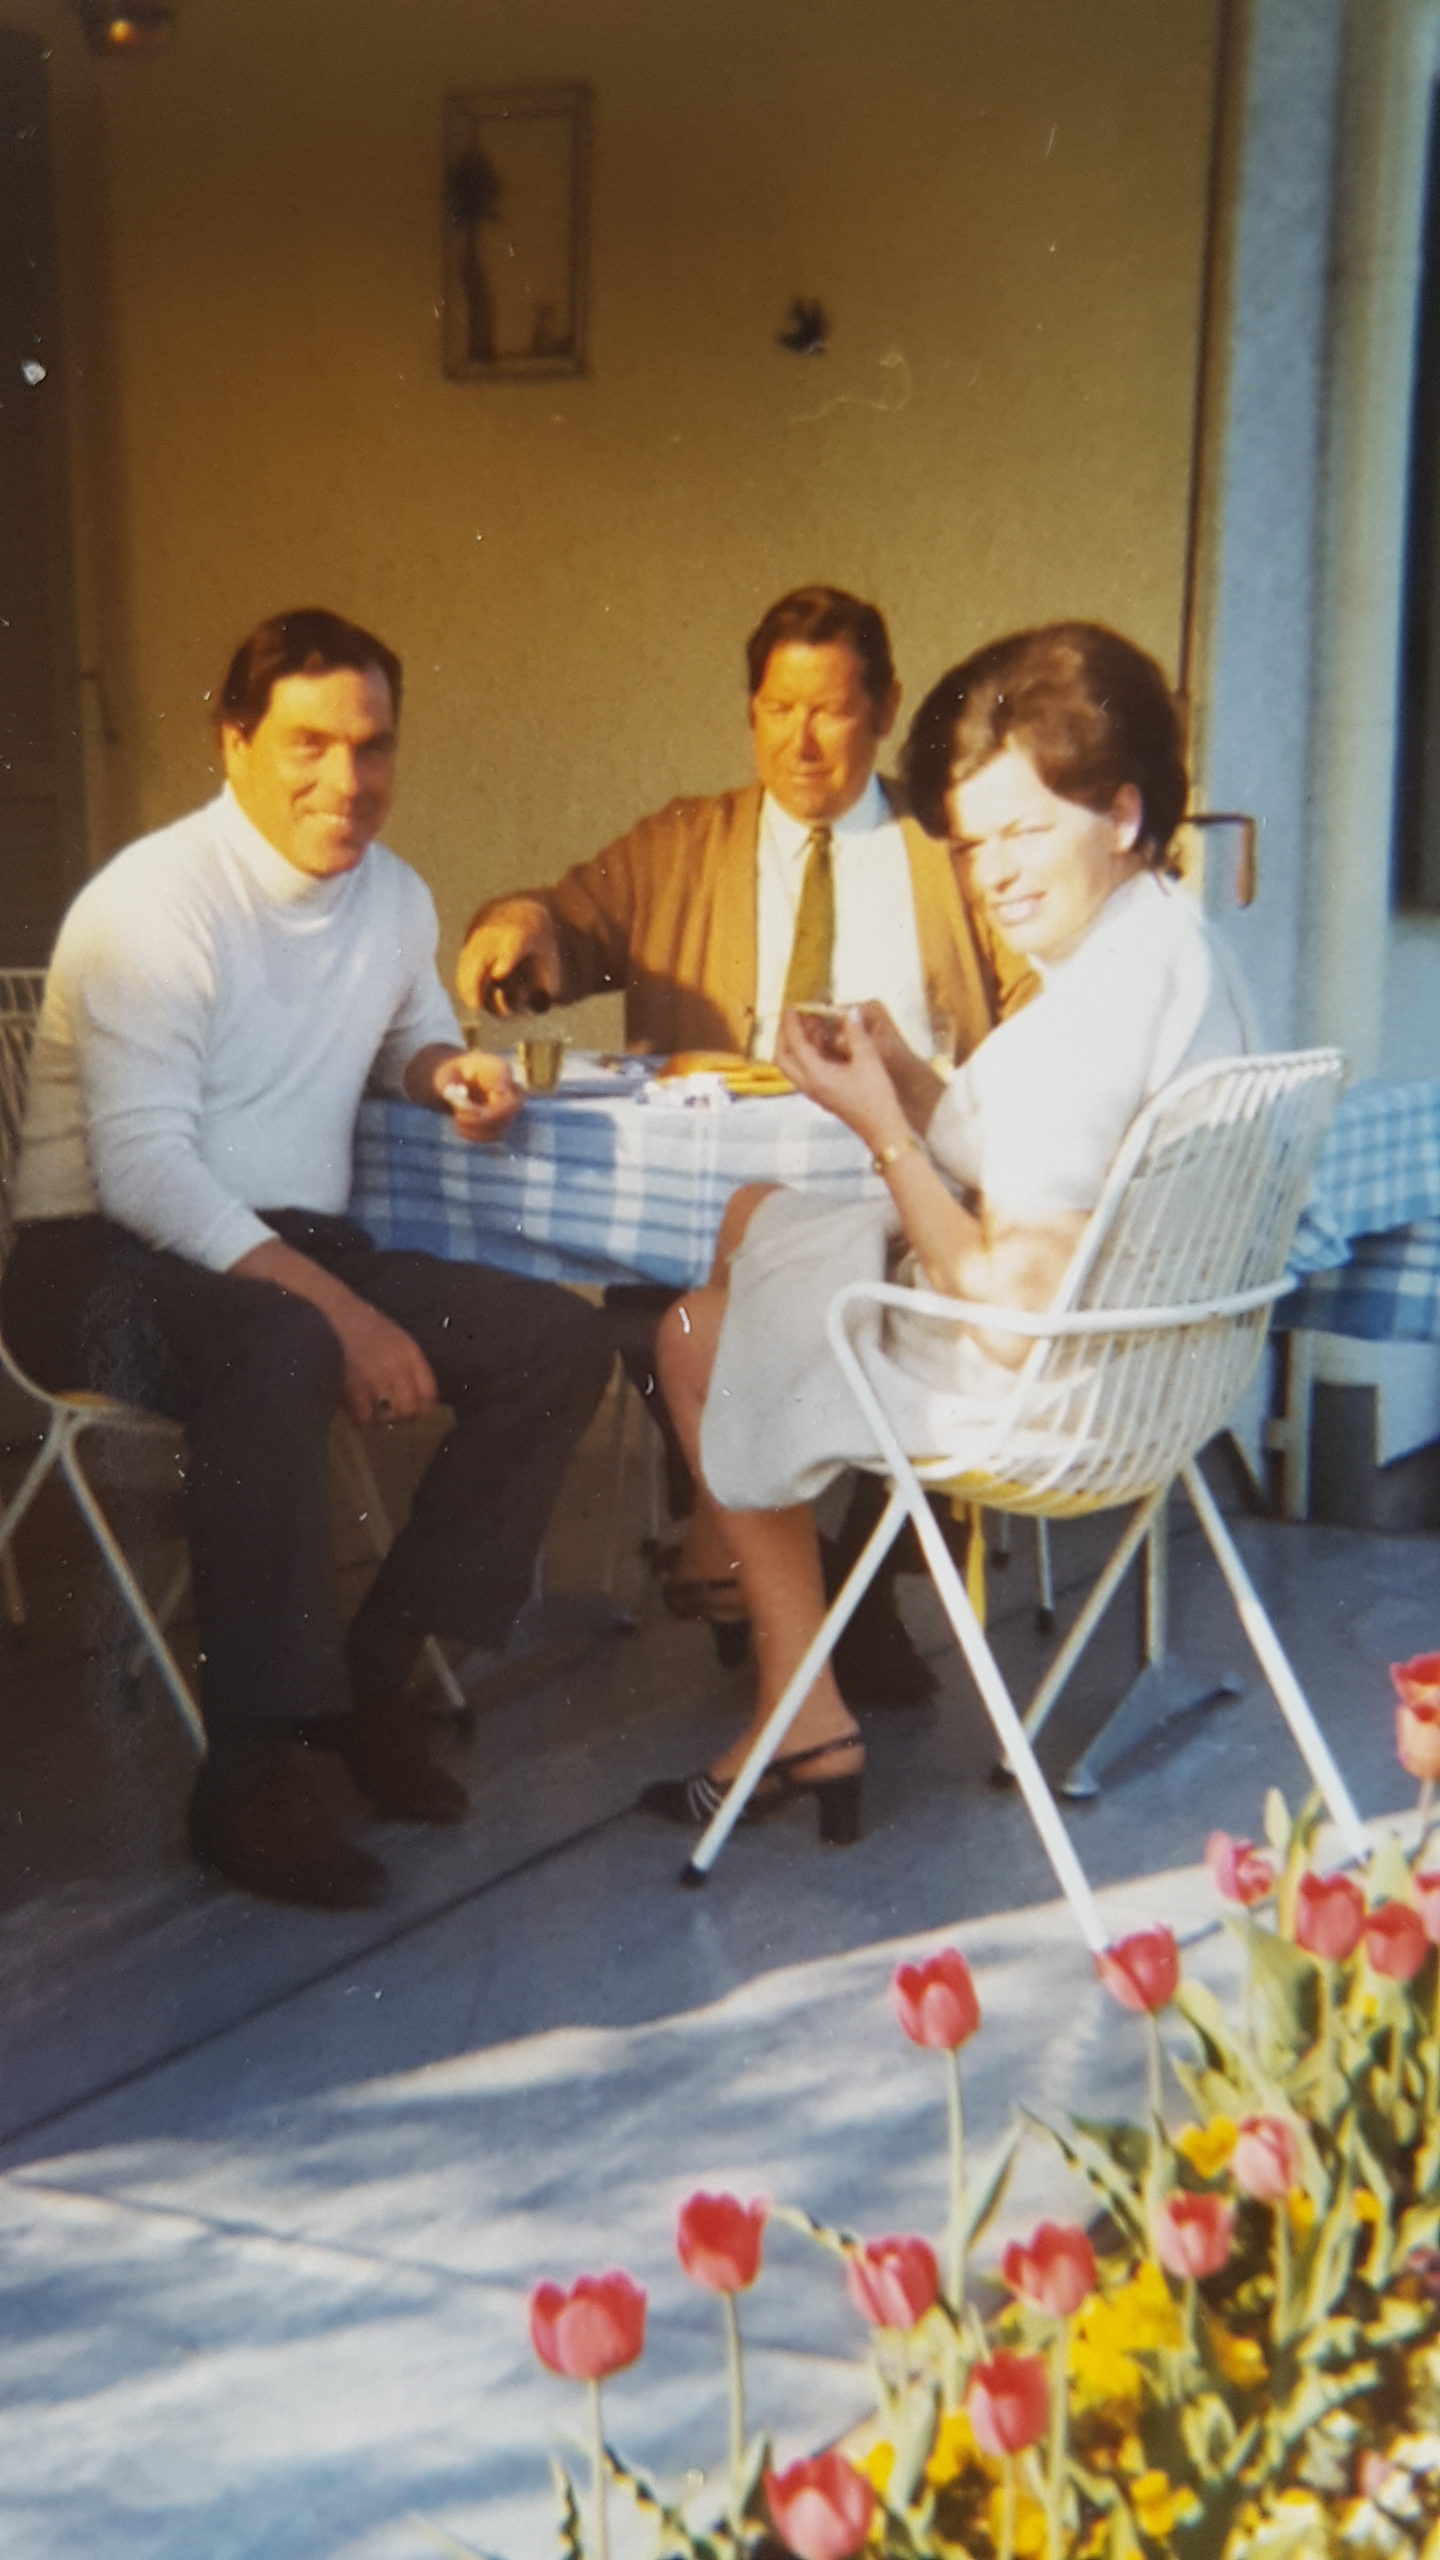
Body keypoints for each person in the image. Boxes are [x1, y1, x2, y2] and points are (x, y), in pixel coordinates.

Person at [2, 609, 613, 1910]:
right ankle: (251, 1776)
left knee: (558, 1340)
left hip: (281, 1247)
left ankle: (370, 1683)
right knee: (282, 1342)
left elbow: (410, 1034)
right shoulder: (154, 904)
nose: (347, 779)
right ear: (233, 742)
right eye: (308, 743)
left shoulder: (393, 895)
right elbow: (145, 1170)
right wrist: (343, 1314)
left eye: (372, 745)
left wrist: (445, 1074)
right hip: (95, 1262)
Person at [644, 622, 1254, 1839]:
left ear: (1122, 812)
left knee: (695, 1334)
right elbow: (1037, 1158)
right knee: (757, 1215)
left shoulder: (1082, 1027)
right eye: (975, 846)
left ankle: (793, 1693)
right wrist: (913, 1081)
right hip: (1162, 1362)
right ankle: (748, 1579)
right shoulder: (1174, 948)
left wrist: (882, 1129)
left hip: (1049, 1396)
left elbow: (1013, 1313)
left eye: (1027, 831)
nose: (996, 877)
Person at [455, 584, 1033, 1690]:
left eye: (831, 710)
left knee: (896, 1315)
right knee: (665, 1311)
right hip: (712, 1202)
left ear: (885, 709)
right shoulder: (686, 842)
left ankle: (837, 1586)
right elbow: (566, 919)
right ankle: (804, 1592)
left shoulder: (950, 853)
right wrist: (517, 931)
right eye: (778, 709)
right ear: (751, 710)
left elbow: (1038, 999)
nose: (800, 741)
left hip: (894, 1192)